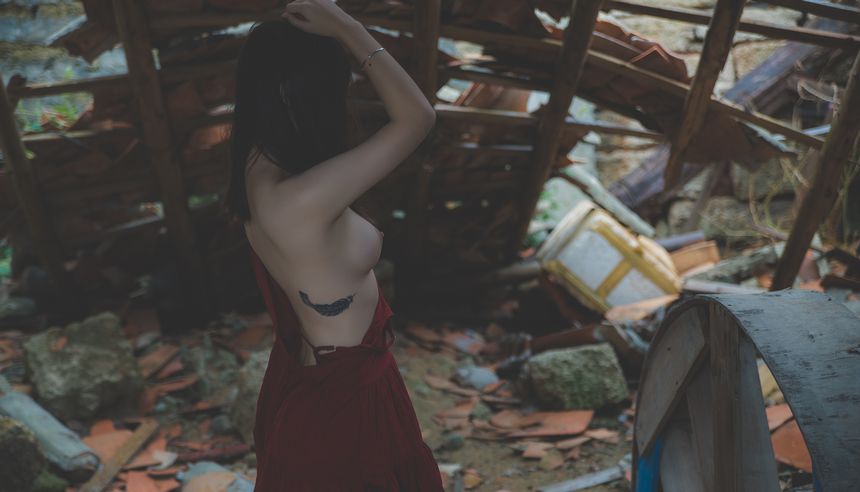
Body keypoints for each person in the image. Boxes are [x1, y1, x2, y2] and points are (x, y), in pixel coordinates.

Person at [224, 0, 443, 489]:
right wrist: (348, 28)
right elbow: (417, 118)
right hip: (343, 411)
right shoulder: (301, 199)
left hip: (331, 387)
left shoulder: (258, 166)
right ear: (311, 95)